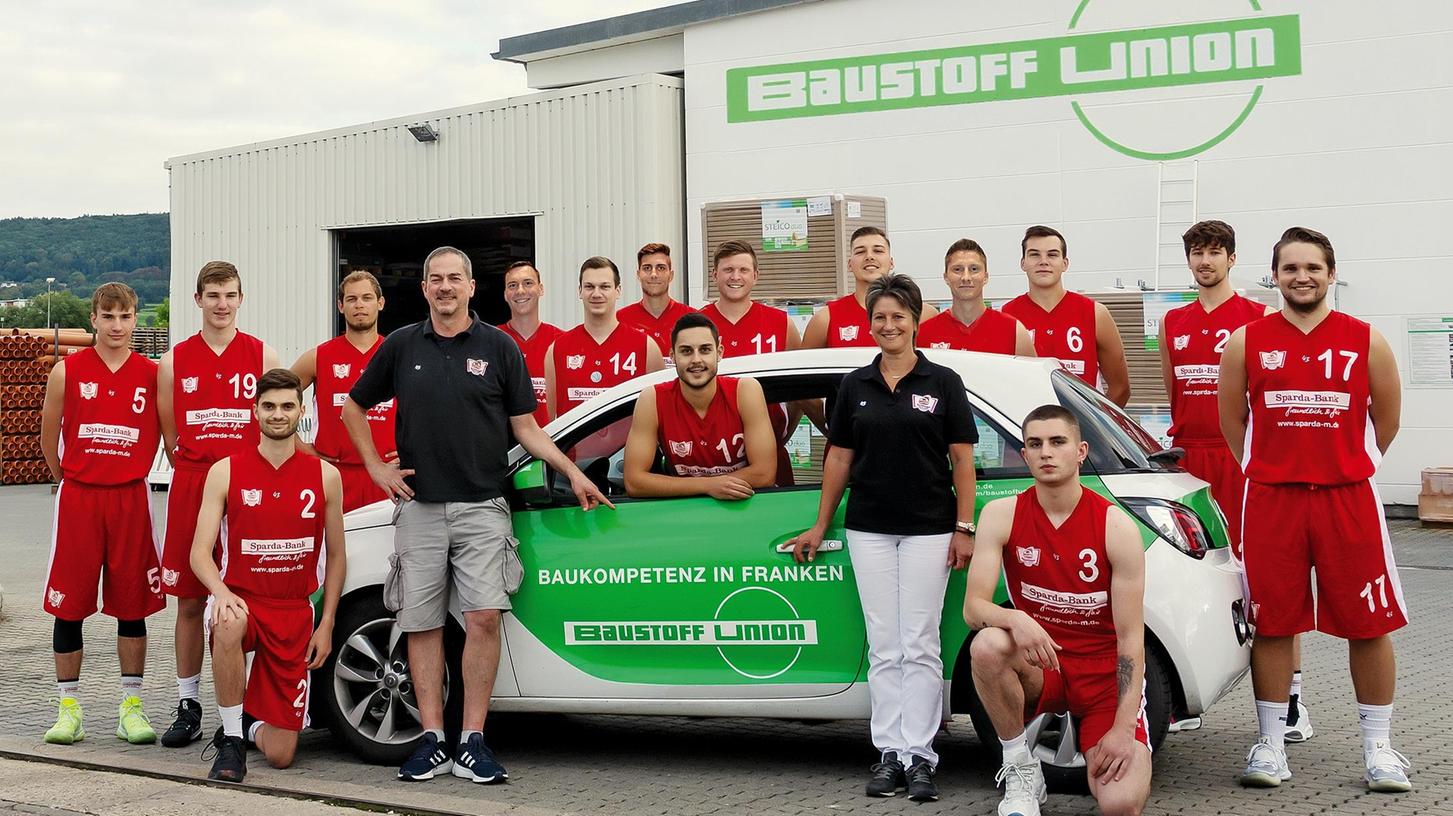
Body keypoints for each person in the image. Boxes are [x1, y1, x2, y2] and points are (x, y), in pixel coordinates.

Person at [343, 246, 612, 784]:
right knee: (420, 624)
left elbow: (528, 428)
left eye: (454, 279)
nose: (445, 287)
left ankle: (472, 741)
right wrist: (376, 469)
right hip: (418, 509)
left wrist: (574, 471)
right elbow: (353, 406)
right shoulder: (400, 346)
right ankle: (429, 741)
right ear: (424, 290)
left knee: (483, 618)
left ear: (471, 287)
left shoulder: (500, 347)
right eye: (435, 279)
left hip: (484, 508)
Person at [1219, 227, 1409, 792]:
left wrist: (1343, 460)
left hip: (1347, 498)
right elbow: (1235, 426)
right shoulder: (1246, 342)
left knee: (1368, 625)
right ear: (1274, 276)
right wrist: (1275, 463)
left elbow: (1387, 421)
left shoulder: (1366, 339)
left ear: (1331, 273)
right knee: (1273, 623)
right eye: (1290, 267)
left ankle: (1379, 750)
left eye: (1313, 267)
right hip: (1273, 499)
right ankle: (1271, 746)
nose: (1302, 276)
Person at [786, 274, 976, 802]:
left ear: (915, 320)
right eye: (880, 317)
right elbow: (839, 458)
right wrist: (822, 522)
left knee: (919, 641)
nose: (888, 325)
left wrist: (964, 527)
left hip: (929, 530)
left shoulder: (943, 382)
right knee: (885, 642)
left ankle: (921, 755)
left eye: (898, 316)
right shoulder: (854, 384)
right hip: (867, 528)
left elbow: (962, 461)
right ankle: (889, 752)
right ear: (869, 324)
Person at [1158, 221, 1315, 742]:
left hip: (1243, 463)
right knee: (1188, 581)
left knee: (1267, 584)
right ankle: (1187, 696)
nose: (1205, 262)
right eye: (1196, 253)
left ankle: (1291, 701)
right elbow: (1173, 390)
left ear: (1232, 258)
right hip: (1188, 464)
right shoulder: (1172, 323)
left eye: (1215, 252)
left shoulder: (1257, 318)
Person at [965, 404, 1151, 816]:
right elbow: (974, 608)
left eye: (1057, 442)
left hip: (1102, 675)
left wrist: (1122, 730)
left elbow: (1131, 643)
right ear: (1025, 455)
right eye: (1035, 444)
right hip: (1042, 663)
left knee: (1121, 805)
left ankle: (1120, 738)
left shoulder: (1115, 526)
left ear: (1081, 451)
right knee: (988, 645)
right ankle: (1021, 769)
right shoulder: (1002, 514)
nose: (1046, 452)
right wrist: (1016, 618)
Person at [189, 368, 346, 782]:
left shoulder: (326, 476)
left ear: (301, 410)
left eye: (287, 406)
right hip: (243, 599)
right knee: (227, 621)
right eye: (269, 406)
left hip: (293, 612)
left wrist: (326, 623)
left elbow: (337, 560)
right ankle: (230, 737)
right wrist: (220, 592)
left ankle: (250, 718)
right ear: (254, 410)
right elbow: (199, 554)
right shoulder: (225, 470)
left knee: (281, 755)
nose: (278, 414)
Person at [156, 261, 280, 747]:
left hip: (247, 488)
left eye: (229, 294)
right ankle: (188, 702)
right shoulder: (174, 360)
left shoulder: (263, 354)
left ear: (241, 298)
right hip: (193, 482)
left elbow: (277, 420)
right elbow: (171, 437)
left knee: (252, 598)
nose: (222, 303)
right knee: (189, 601)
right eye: (213, 295)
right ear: (198, 300)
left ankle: (249, 706)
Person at [37, 282, 165, 746]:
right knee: (68, 607)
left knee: (132, 606)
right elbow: (49, 438)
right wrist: (69, 477)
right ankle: (68, 708)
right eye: (107, 316)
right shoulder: (66, 372)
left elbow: (169, 437)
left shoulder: (153, 374)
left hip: (131, 497)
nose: (116, 325)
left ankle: (131, 706)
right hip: (80, 498)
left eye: (125, 316)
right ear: (93, 318)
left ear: (136, 320)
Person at [622, 313, 777, 499]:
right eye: (686, 351)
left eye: (705, 350)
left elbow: (765, 473)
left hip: (743, 506)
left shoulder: (745, 391)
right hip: (685, 513)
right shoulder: (652, 399)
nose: (696, 360)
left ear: (719, 353)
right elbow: (634, 482)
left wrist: (712, 486)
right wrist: (708, 485)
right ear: (672, 356)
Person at [290, 270, 398, 512]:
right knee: (335, 550)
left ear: (380, 303)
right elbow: (272, 398)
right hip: (334, 475)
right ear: (340, 306)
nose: (359, 305)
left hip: (388, 475)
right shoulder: (318, 357)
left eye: (367, 298)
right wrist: (300, 447)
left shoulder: (397, 353)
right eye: (351, 299)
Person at [698, 240, 805, 485]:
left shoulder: (781, 323)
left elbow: (800, 392)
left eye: (743, 270)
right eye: (728, 270)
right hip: (709, 461)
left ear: (755, 276)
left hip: (771, 454)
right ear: (715, 275)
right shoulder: (697, 324)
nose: (736, 277)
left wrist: (781, 433)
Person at [1002, 226, 1130, 405]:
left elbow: (1120, 388)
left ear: (1065, 263)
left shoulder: (1095, 313)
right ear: (1023, 263)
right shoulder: (1006, 316)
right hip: (1025, 429)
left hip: (1081, 431)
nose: (1043, 261)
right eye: (1034, 254)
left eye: (1052, 254)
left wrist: (1095, 428)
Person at [545, 256, 664, 420]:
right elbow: (550, 421)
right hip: (575, 447)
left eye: (604, 287)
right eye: (589, 287)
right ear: (580, 291)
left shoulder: (646, 346)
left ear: (618, 290)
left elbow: (661, 413)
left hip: (630, 446)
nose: (596, 293)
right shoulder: (557, 349)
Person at [802, 227, 937, 349]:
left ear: (891, 263)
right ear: (849, 264)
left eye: (878, 250)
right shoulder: (826, 318)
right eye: (860, 252)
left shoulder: (924, 314)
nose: (869, 257)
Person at [917, 239, 1036, 355]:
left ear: (985, 277)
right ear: (946, 277)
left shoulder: (1014, 331)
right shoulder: (922, 334)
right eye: (957, 269)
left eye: (974, 269)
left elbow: (1031, 375)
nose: (966, 277)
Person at [496, 261, 564, 427]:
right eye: (512, 285)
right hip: (505, 448)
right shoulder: (492, 340)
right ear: (505, 294)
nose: (520, 291)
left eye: (528, 283)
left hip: (549, 444)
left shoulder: (562, 341)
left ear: (541, 289)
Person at [616, 242, 696, 358]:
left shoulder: (692, 318)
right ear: (638, 275)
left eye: (661, 268)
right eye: (647, 268)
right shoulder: (620, 320)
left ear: (671, 275)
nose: (653, 274)